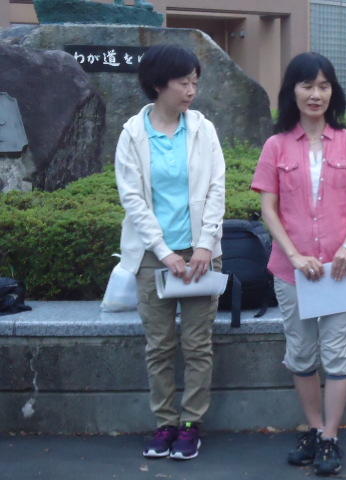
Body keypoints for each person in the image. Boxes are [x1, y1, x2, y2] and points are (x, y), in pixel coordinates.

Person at [251, 52, 346, 476]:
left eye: (324, 86)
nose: (315, 94)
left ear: (332, 92)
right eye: (307, 85)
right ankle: (314, 427)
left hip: (342, 271)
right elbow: (268, 208)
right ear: (293, 91)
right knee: (301, 353)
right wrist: (293, 254)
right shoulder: (276, 145)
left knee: (338, 355)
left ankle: (330, 437)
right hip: (294, 272)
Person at [115, 44, 225, 460]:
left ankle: (192, 423)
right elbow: (132, 198)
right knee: (159, 346)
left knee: (197, 345)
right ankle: (165, 423)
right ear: (158, 84)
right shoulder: (133, 134)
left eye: (195, 82)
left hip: (201, 253)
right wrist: (164, 252)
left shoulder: (202, 129)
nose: (191, 91)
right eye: (183, 83)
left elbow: (216, 189)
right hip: (151, 255)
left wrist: (205, 245)